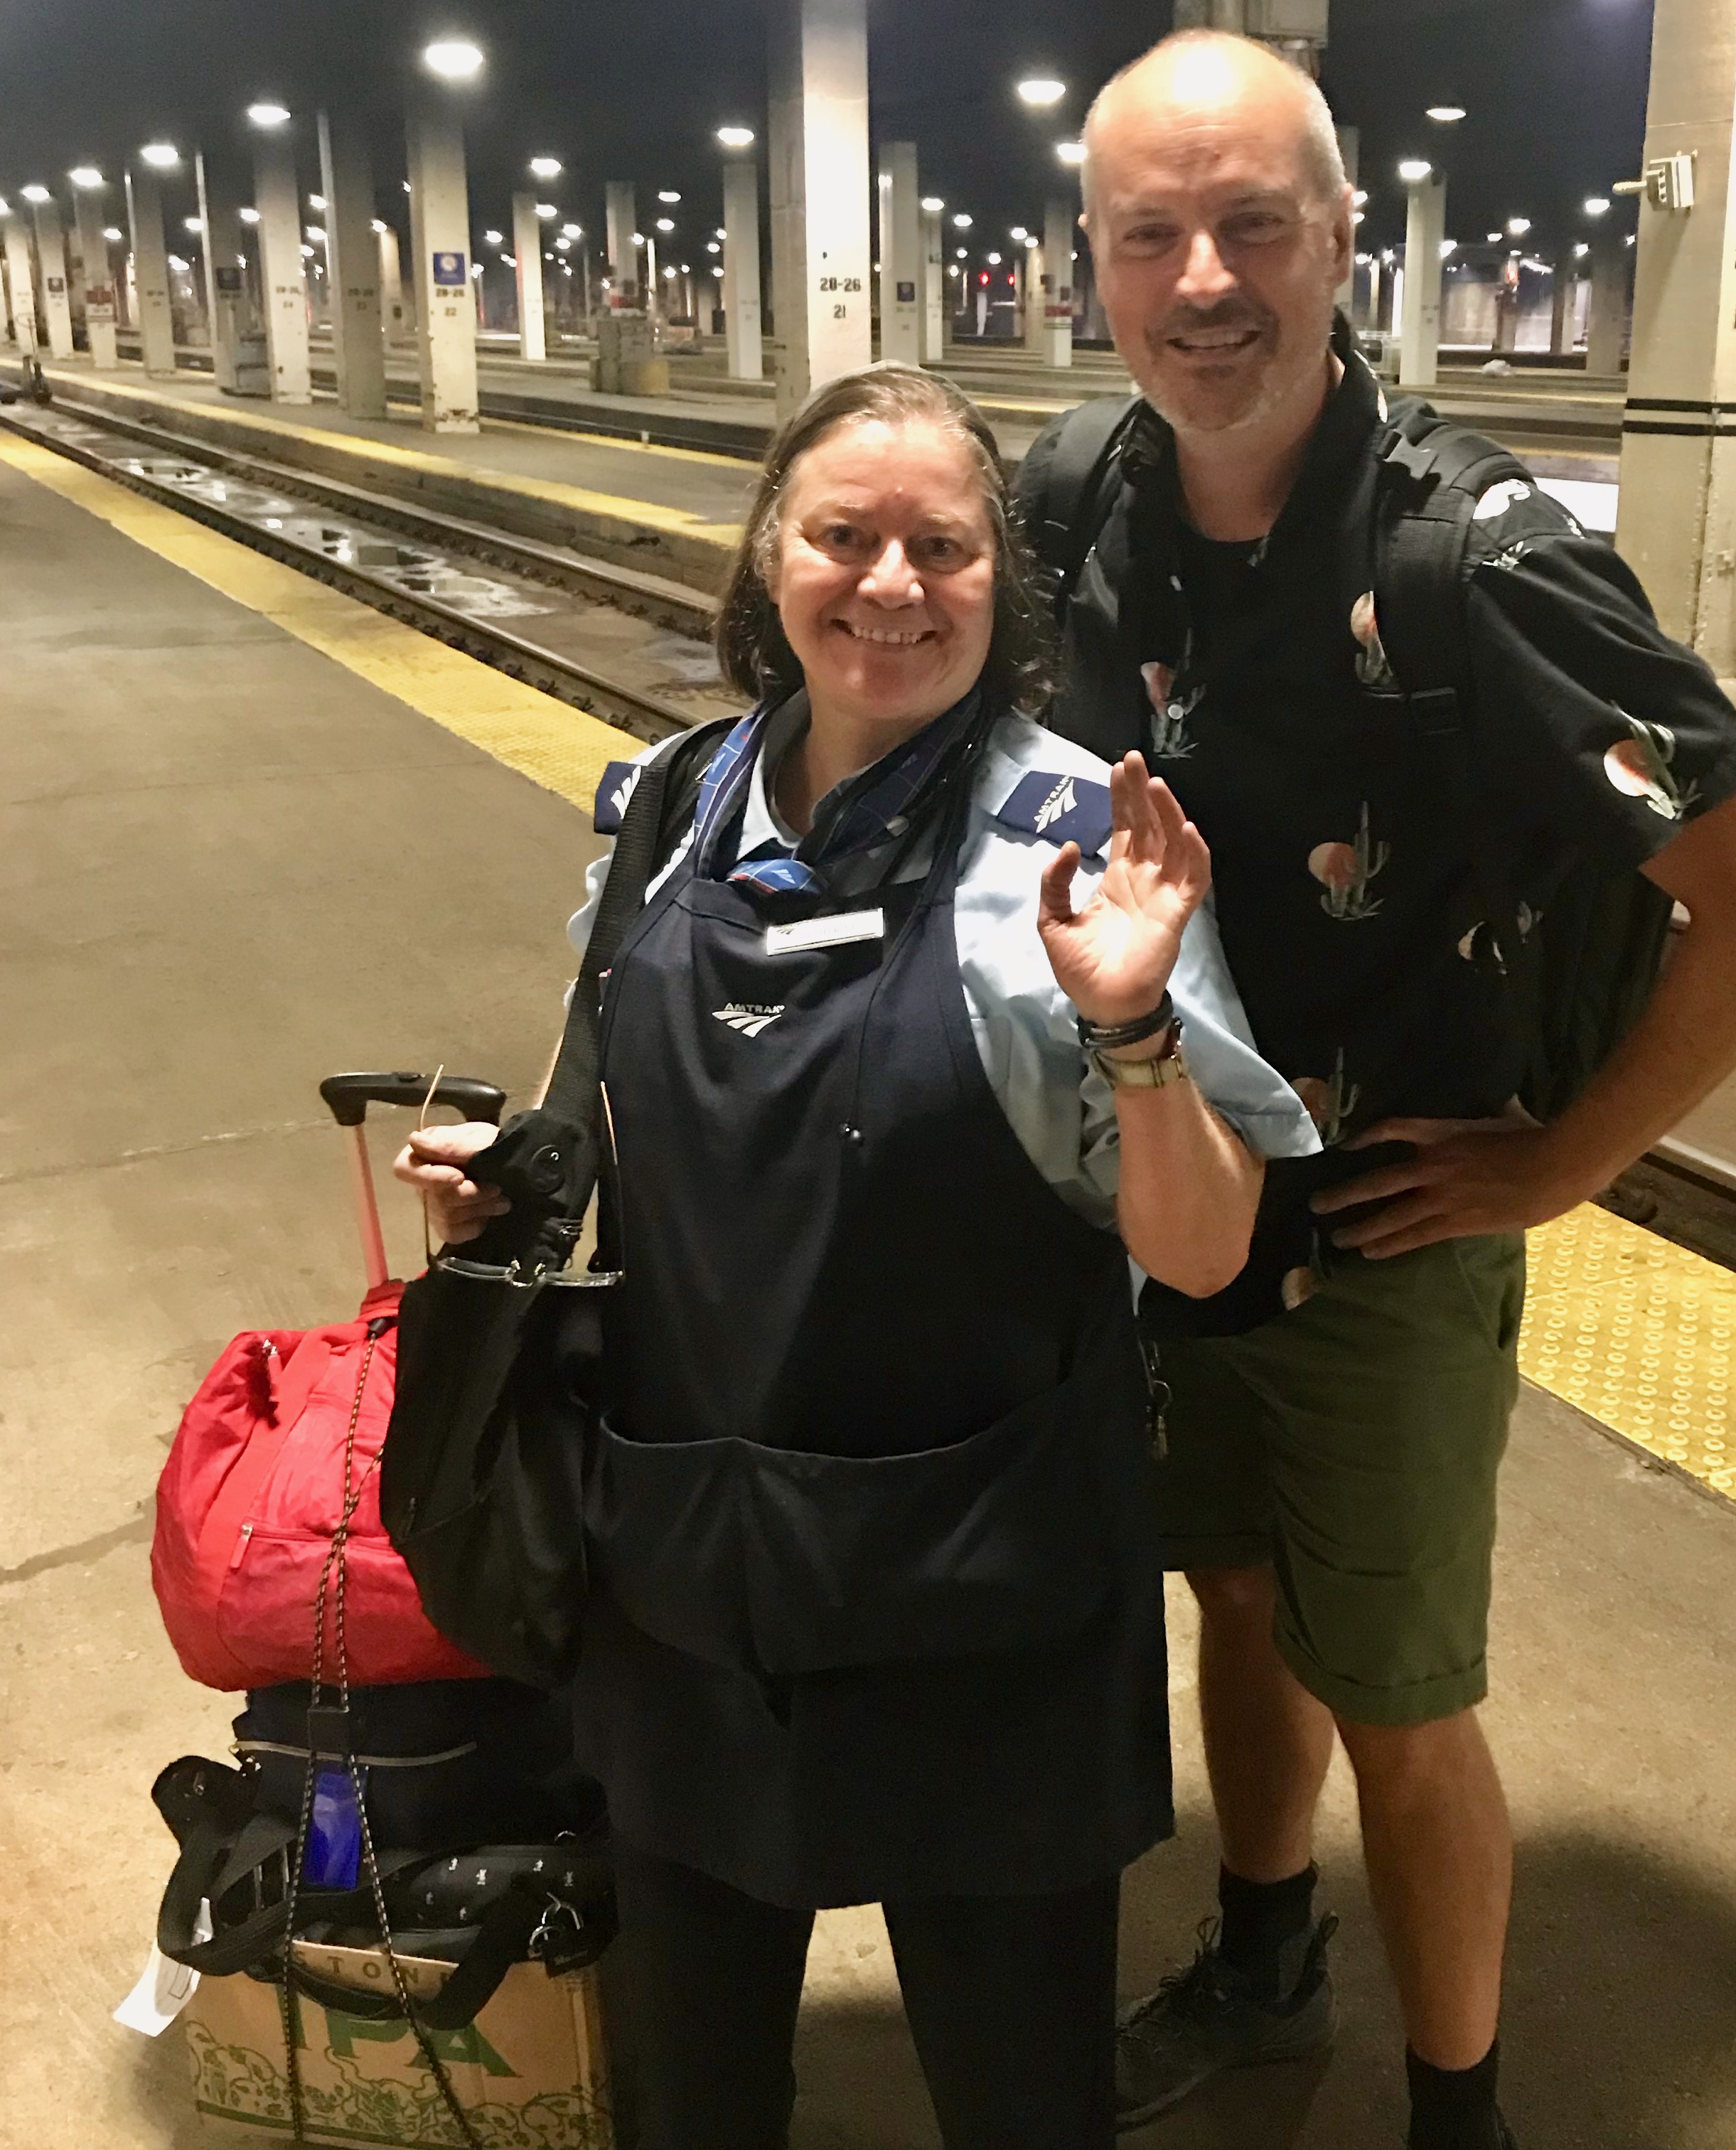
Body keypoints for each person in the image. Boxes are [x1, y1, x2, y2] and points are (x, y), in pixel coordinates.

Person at [1021, 31, 1736, 2149]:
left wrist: (1563, 1163)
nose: (1203, 281)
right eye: (1150, 236)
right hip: (1176, 1184)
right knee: (1232, 1592)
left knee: (1402, 1691)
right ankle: (1267, 1940)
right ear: (1093, 266)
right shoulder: (1074, 511)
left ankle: (1457, 2113)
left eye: (1254, 227)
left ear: (1344, 243)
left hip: (1392, 1221)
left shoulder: (1476, 567)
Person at [395, 363, 1321, 2150]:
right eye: (842, 536)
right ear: (768, 559)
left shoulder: (1071, 851)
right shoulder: (670, 805)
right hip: (689, 1570)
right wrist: (513, 1180)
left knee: (1015, 2093)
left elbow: (1201, 1260)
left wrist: (1131, 1030)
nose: (889, 584)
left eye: (942, 547)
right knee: (695, 2086)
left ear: (1001, 583)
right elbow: (601, 1091)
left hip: (979, 1597)